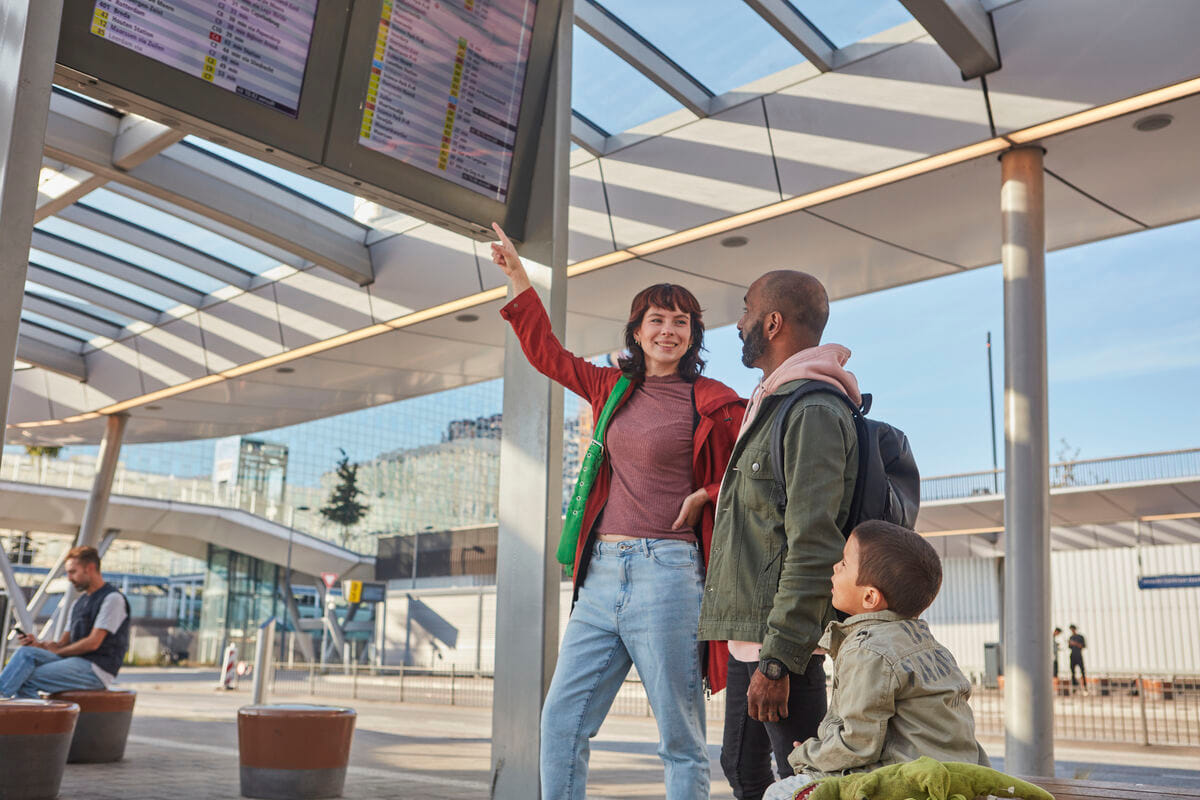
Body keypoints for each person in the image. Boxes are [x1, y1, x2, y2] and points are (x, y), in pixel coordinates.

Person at [490, 223, 745, 800]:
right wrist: (518, 280)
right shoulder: (610, 388)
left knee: (678, 740)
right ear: (636, 330)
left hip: (670, 574)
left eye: (681, 321)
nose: (668, 330)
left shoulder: (712, 401)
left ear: (693, 336)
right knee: (561, 723)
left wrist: (706, 493)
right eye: (656, 319)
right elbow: (547, 355)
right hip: (601, 575)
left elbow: (748, 482)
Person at [699, 270, 860, 800]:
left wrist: (780, 659)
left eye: (745, 311)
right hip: (757, 638)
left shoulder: (811, 409)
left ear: (771, 322)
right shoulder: (772, 401)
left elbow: (815, 546)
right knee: (743, 770)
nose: (738, 323)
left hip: (784, 650)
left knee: (806, 789)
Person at [762, 521, 989, 800]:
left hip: (910, 781)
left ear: (870, 597)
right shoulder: (931, 644)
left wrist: (806, 754)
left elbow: (859, 742)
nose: (835, 567)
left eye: (844, 563)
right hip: (960, 776)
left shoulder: (868, 649)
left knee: (780, 793)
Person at [0, 545, 131, 698]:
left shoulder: (112, 599)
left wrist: (58, 651)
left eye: (72, 572)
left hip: (96, 669)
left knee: (27, 678)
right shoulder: (78, 603)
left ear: (89, 568)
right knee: (26, 652)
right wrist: (39, 645)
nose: (69, 578)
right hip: (74, 661)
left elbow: (93, 643)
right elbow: (63, 643)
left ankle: (5, 702)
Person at [1068, 624, 1087, 694]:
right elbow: (1069, 646)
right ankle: (1074, 688)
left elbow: (1083, 646)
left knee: (1082, 671)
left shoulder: (1080, 637)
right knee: (1073, 673)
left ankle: (1085, 687)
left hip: (1079, 655)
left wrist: (1076, 644)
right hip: (1072, 656)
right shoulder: (1071, 637)